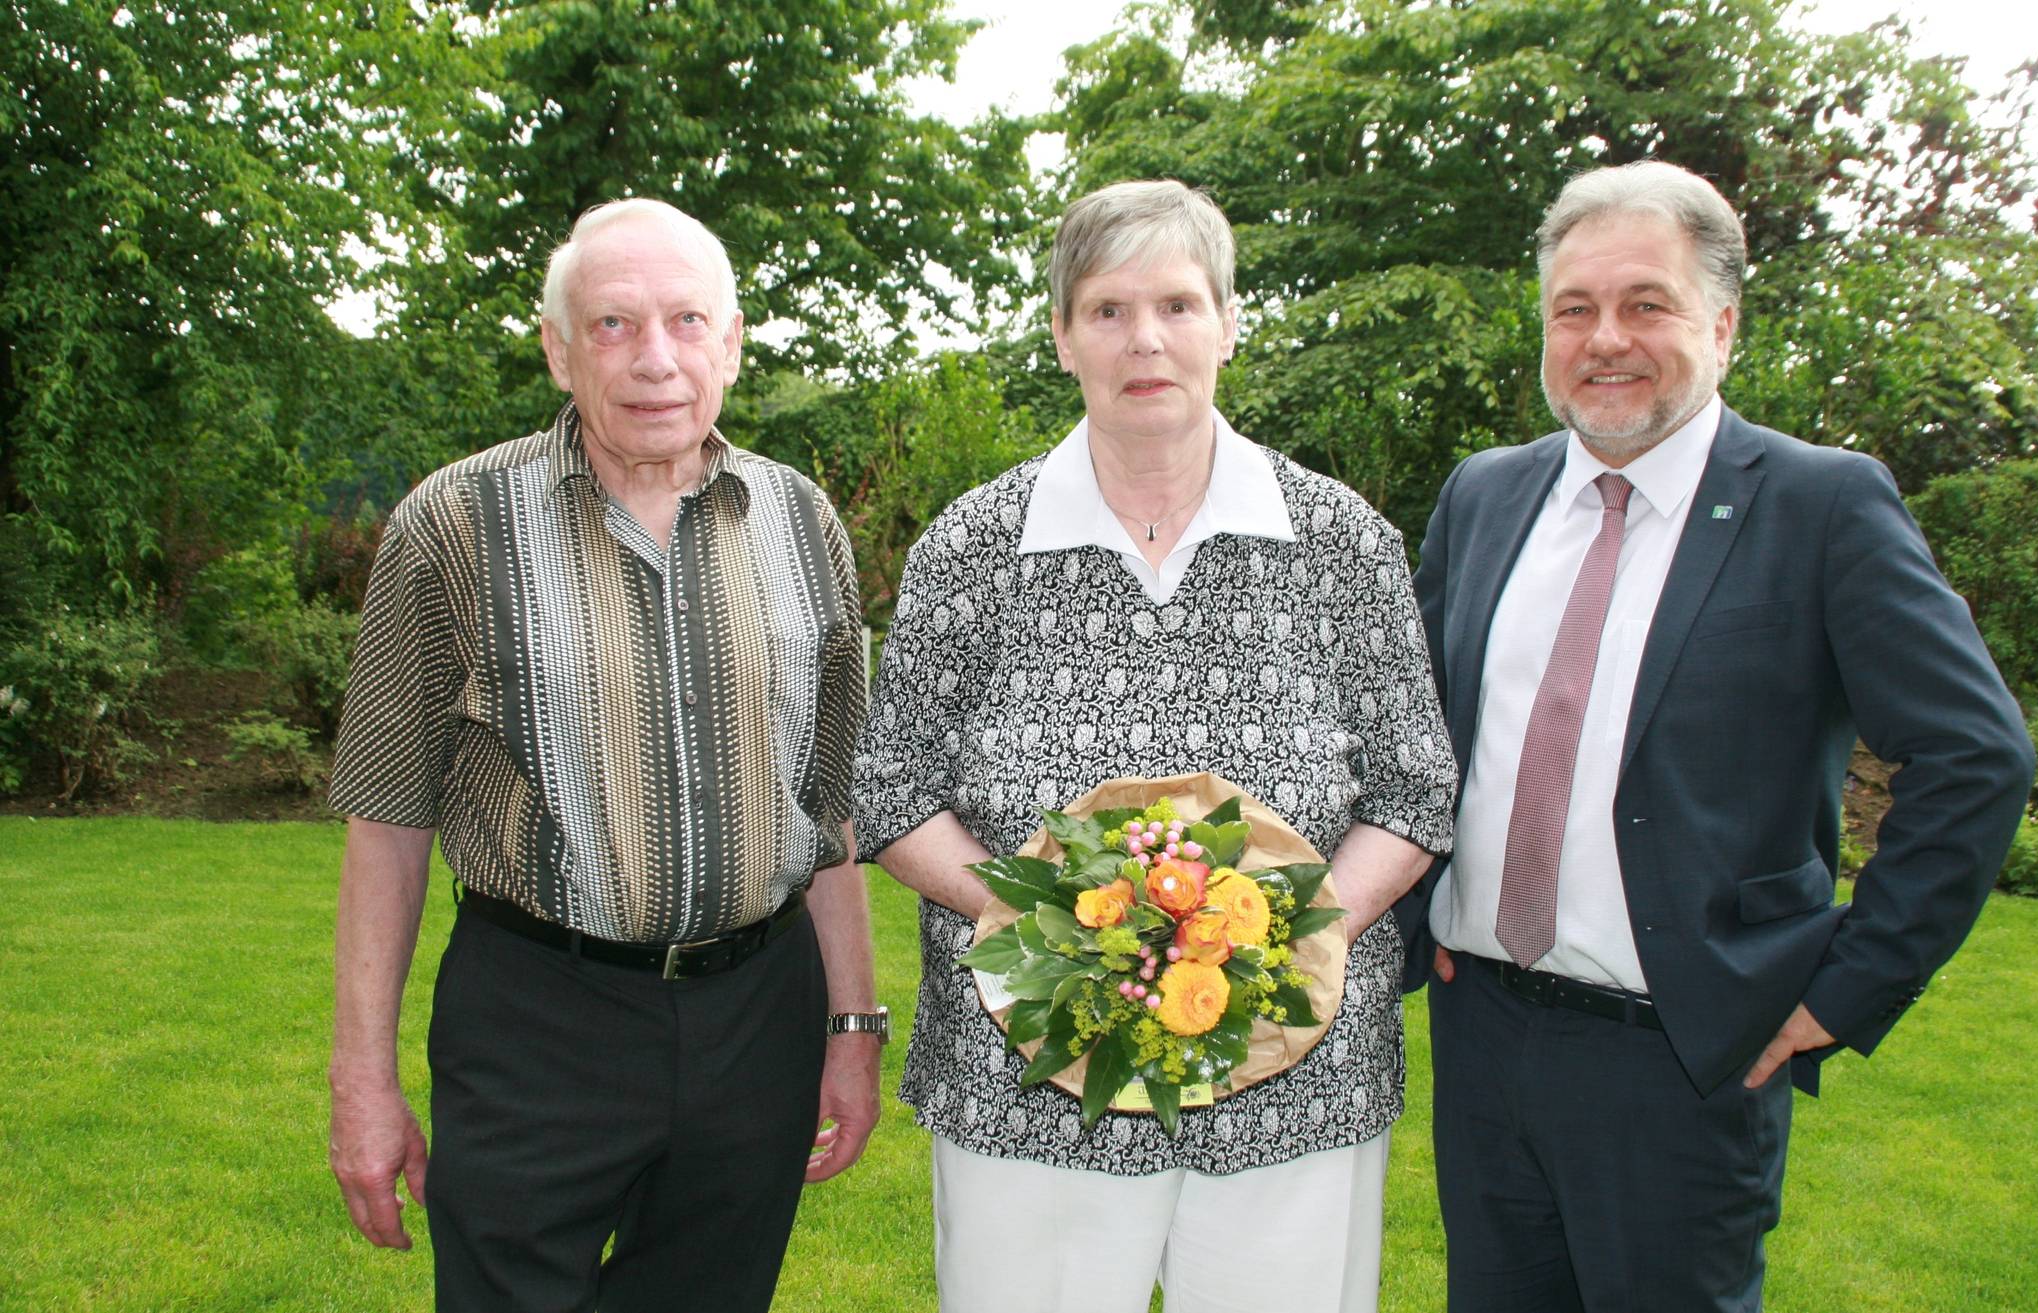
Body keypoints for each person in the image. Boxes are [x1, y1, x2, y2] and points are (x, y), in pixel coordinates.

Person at [1409, 159, 2034, 1312]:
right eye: (1574, 309)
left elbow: (1978, 757)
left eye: (1647, 303)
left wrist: (1842, 991)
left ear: (1723, 323)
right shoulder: (1485, 495)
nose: (1607, 337)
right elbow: (1418, 734)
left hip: (1685, 1058)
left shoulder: (1823, 505)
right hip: (1485, 1032)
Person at [853, 179, 1457, 1313]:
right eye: (1108, 309)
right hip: (1027, 1077)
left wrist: (1277, 942)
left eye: (1179, 304)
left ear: (1230, 323)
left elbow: (1418, 788)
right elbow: (888, 789)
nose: (1147, 339)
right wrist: (1037, 920)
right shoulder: (975, 544)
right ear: (1061, 333)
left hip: (1296, 1083)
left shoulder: (1340, 542)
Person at [326, 197, 886, 1312]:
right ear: (558, 346)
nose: (655, 360)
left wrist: (853, 1025)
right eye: (615, 325)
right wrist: (363, 1079)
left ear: (732, 339)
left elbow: (829, 808)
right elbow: (388, 814)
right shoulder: (452, 524)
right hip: (538, 1018)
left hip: (755, 1016)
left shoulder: (802, 518)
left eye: (686, 321)